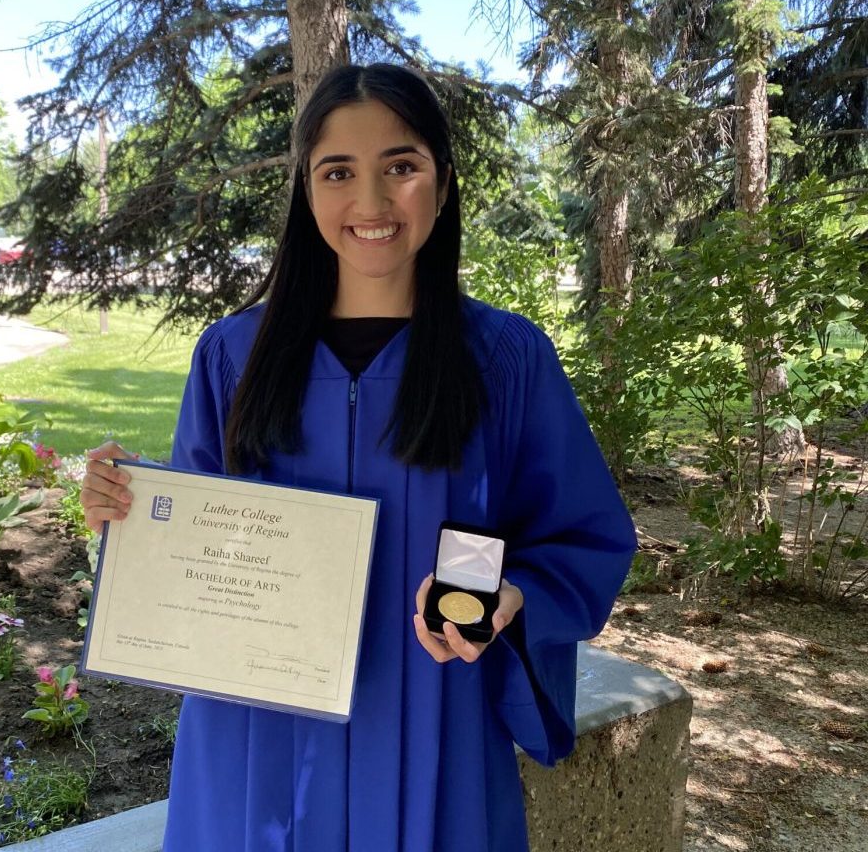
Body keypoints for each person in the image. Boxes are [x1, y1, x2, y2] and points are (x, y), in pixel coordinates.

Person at [81, 63, 637, 852]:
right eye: (338, 172)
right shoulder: (233, 356)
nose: (371, 203)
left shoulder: (505, 360)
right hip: (256, 736)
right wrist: (126, 507)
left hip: (432, 722)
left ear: (442, 186)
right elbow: (194, 548)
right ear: (307, 191)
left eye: (400, 168)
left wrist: (515, 595)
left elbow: (583, 538)